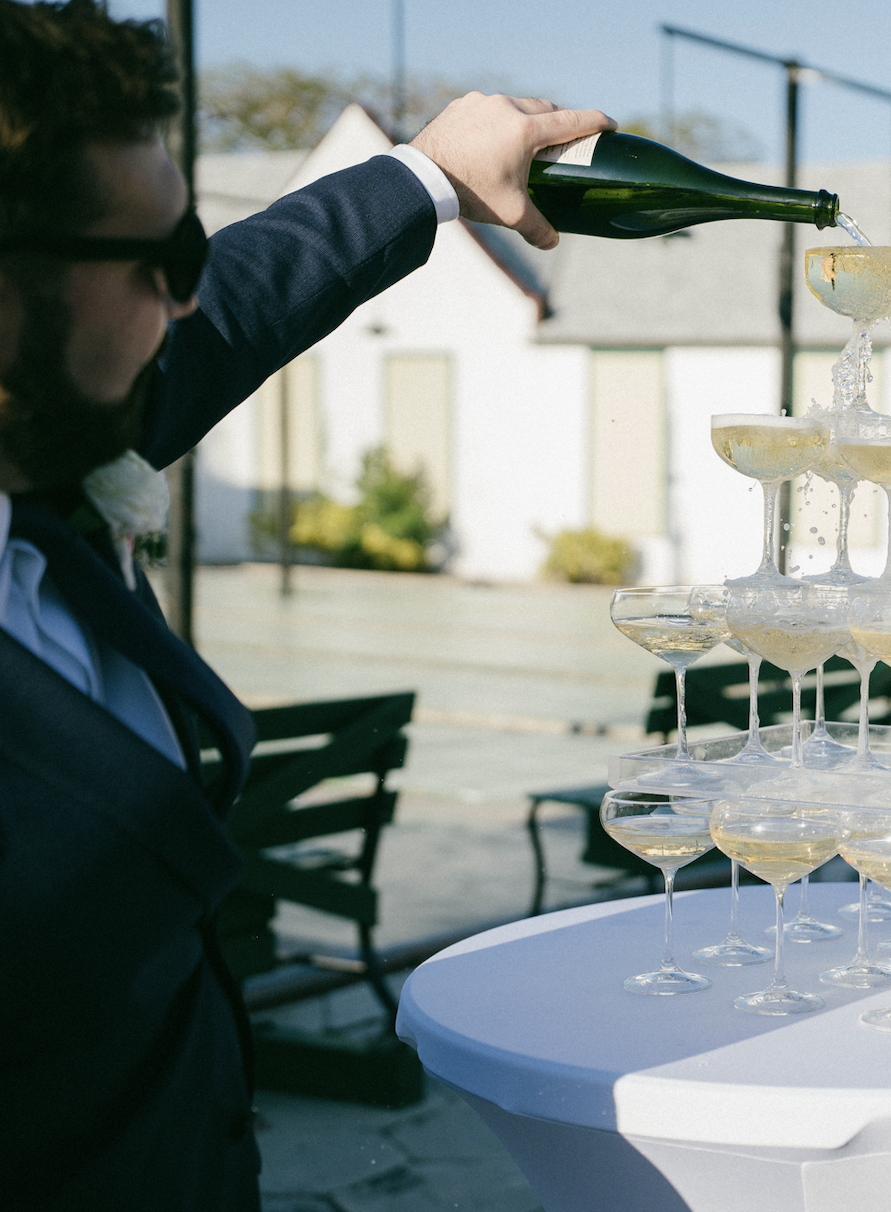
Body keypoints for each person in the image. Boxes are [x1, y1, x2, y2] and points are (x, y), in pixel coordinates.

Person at [0, 3, 611, 1207]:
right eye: (162, 261)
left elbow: (240, 307)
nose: (188, 302)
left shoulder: (47, 445)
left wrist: (428, 176)